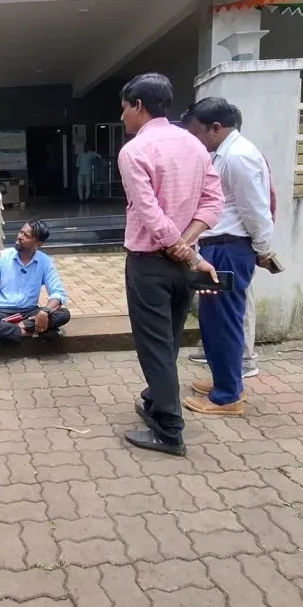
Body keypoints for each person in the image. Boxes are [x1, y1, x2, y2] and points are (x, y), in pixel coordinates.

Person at [117, 73, 224, 457]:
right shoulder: (194, 144)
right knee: (170, 341)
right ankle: (154, 399)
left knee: (155, 347)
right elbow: (213, 201)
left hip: (150, 264)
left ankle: (168, 430)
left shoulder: (135, 151)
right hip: (182, 265)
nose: (123, 116)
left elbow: (149, 212)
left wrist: (178, 246)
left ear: (139, 105)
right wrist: (188, 243)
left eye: (125, 108)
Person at [180, 97, 276, 416]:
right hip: (219, 246)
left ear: (216, 128)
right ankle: (225, 381)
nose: (195, 140)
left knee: (224, 322)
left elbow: (256, 209)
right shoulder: (226, 153)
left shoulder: (238, 157)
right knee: (214, 321)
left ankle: (227, 396)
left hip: (229, 248)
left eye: (197, 133)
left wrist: (263, 249)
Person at [0, 222, 71, 344]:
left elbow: (58, 293)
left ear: (37, 244)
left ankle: (10, 330)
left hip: (29, 311)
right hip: (0, 311)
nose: (20, 236)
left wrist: (45, 311)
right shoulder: (3, 256)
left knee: (63, 314)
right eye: (21, 232)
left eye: (27, 235)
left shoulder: (45, 261)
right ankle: (28, 331)